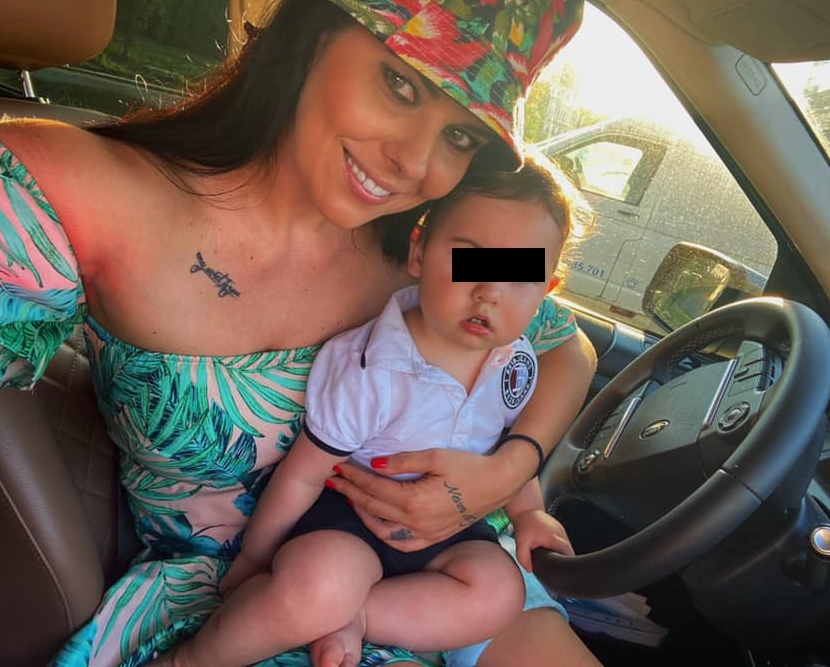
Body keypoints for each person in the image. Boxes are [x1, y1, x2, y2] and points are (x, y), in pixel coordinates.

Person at [0, 0, 601, 666]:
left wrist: (507, 473)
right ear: (315, 34)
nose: (414, 162)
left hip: (454, 579)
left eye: (460, 136)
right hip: (248, 609)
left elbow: (567, 350)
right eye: (400, 85)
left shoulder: (431, 247)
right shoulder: (82, 186)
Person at [155, 158, 587, 667]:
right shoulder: (371, 366)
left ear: (546, 290)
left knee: (499, 592)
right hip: (349, 521)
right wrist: (255, 557)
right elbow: (303, 474)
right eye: (468, 259)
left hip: (453, 531)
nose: (488, 290)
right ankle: (192, 659)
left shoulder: (516, 362)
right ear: (419, 252)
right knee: (324, 584)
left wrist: (528, 513)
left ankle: (359, 616)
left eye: (518, 275)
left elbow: (505, 449)